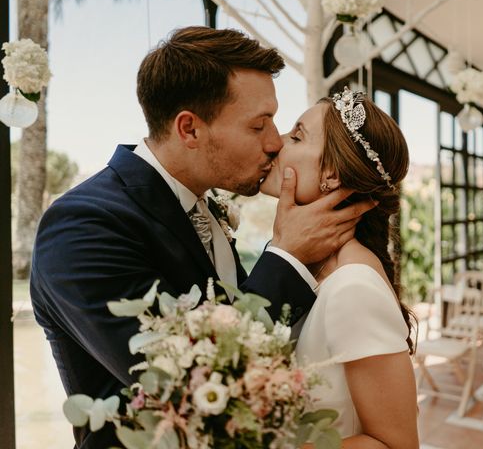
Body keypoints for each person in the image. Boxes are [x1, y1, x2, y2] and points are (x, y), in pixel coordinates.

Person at [29, 27, 375, 449]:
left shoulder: (203, 207)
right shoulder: (83, 226)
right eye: (258, 125)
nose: (274, 143)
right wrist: (288, 254)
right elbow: (182, 379)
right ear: (189, 129)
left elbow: (232, 317)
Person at [260, 87, 419, 448]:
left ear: (331, 174)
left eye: (296, 136)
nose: (275, 143)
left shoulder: (353, 286)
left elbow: (397, 443)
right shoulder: (307, 266)